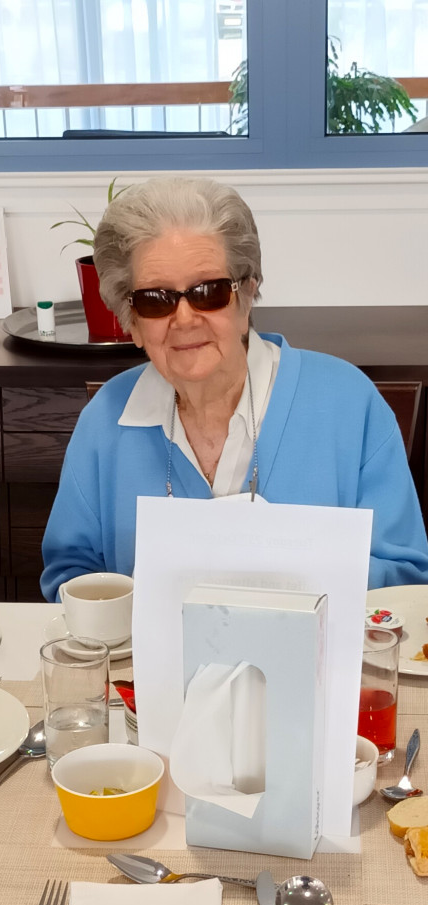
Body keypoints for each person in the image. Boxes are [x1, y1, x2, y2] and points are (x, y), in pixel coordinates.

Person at [41, 176, 428, 600]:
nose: (185, 319)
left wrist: (274, 585)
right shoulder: (104, 420)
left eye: (208, 292)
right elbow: (69, 575)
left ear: (246, 296)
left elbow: (406, 577)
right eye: (156, 299)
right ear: (131, 321)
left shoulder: (350, 404)